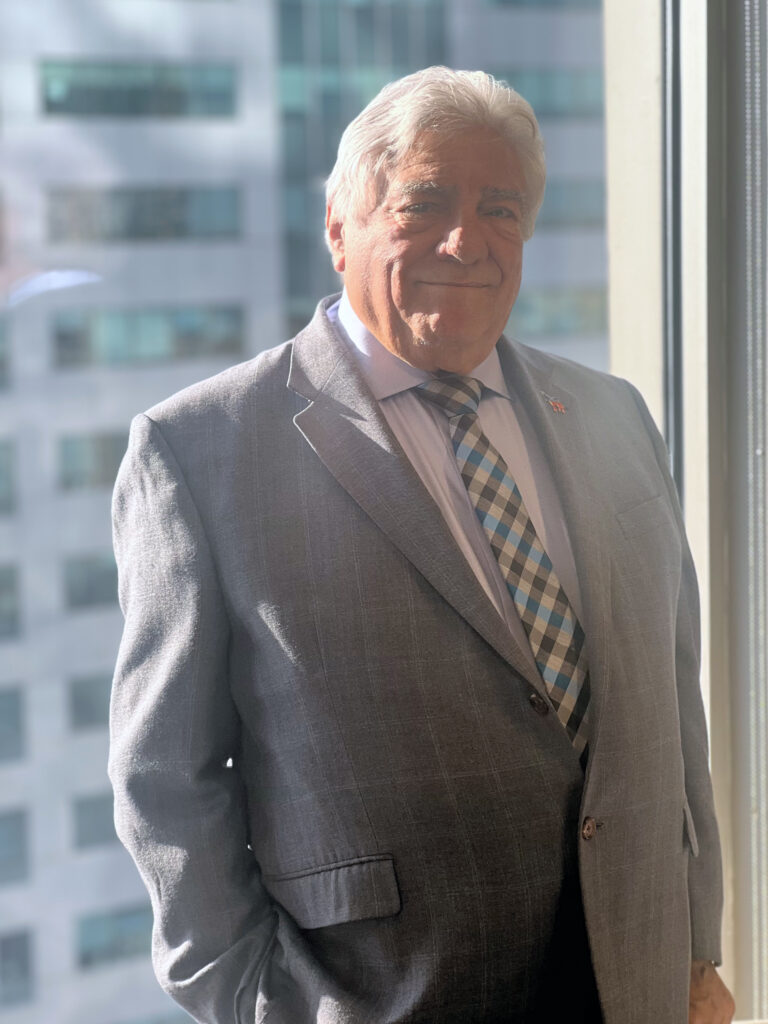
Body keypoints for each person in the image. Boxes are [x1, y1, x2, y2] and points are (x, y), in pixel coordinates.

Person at [109, 67, 735, 1024]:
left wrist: (695, 950)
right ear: (338, 227)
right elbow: (163, 782)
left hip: (638, 984)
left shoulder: (616, 416)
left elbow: (671, 706)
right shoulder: (201, 452)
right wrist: (255, 1004)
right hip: (390, 995)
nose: (466, 241)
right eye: (425, 202)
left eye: (501, 208)